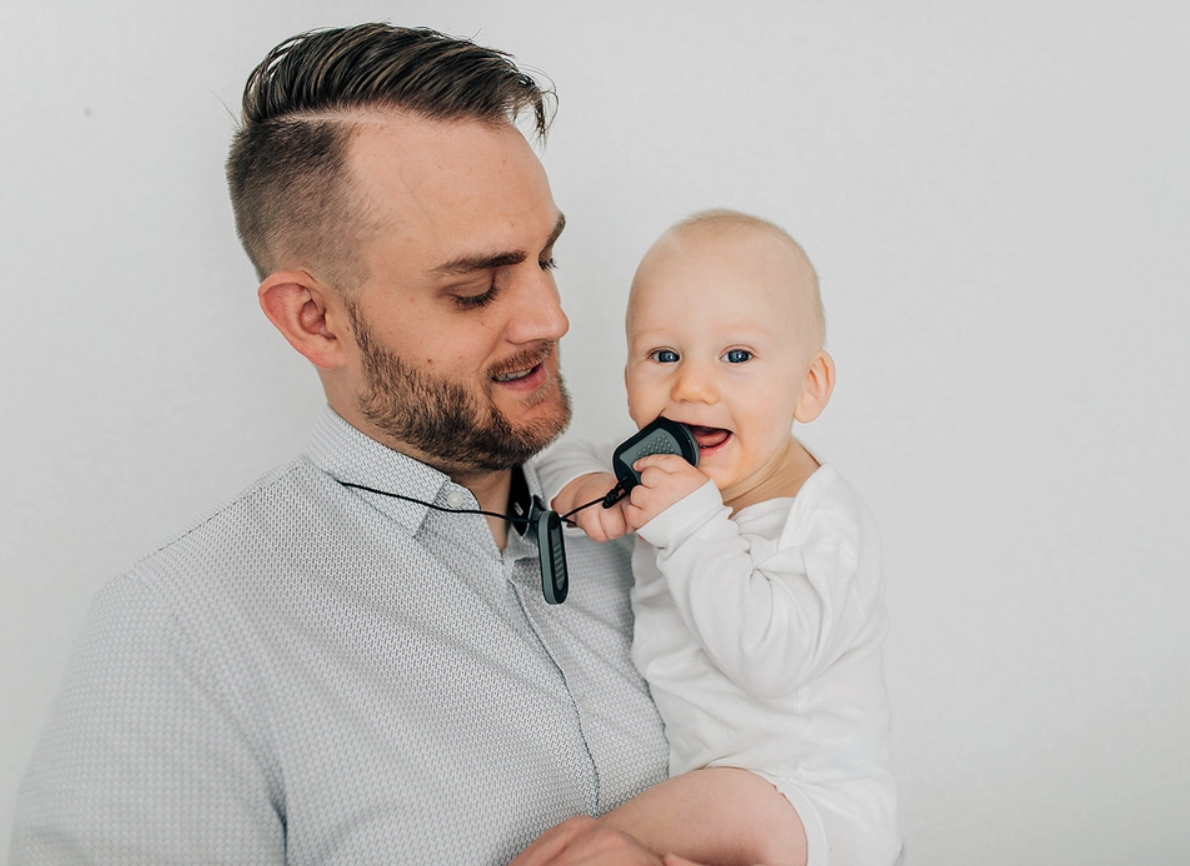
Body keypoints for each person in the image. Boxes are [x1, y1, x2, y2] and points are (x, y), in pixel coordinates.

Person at [8, 23, 698, 866]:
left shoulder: (667, 530)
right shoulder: (181, 633)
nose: (550, 319)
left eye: (545, 260)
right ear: (315, 318)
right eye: (475, 289)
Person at [541, 210, 902, 866]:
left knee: (593, 846)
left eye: (737, 356)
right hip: (717, 807)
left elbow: (770, 659)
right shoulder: (660, 478)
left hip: (814, 811)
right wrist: (589, 484)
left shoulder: (822, 525)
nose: (693, 385)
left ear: (809, 385)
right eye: (663, 355)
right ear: (627, 377)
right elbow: (559, 458)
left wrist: (692, 525)